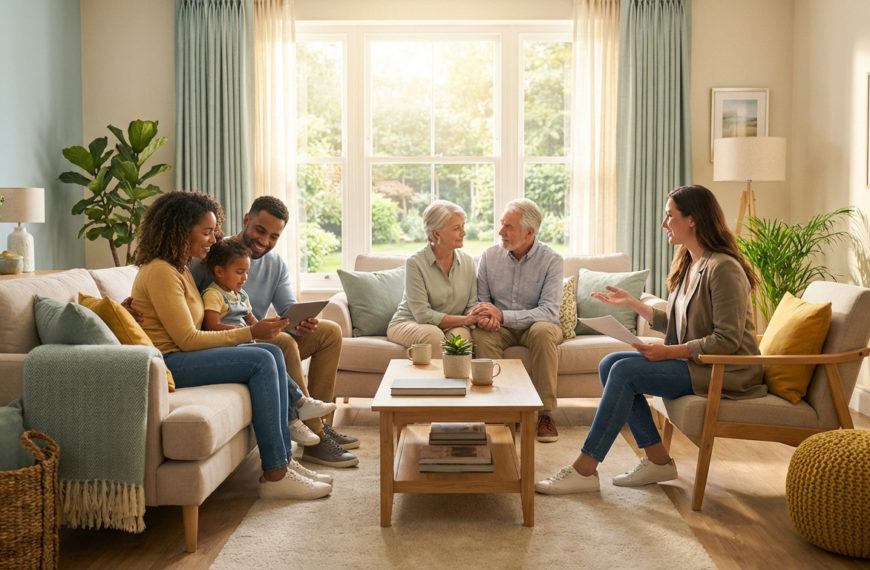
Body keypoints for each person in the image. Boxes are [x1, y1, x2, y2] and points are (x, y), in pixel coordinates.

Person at [535, 184, 766, 495]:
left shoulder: (724, 268)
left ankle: (585, 468)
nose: (663, 223)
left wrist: (668, 352)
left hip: (724, 371)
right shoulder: (691, 263)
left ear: (692, 219)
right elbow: (683, 323)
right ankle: (658, 461)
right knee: (609, 363)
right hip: (699, 364)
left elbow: (726, 340)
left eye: (670, 215)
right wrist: (634, 305)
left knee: (625, 372)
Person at [131, 190, 333, 500]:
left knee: (270, 351)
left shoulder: (179, 268)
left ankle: (284, 461)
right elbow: (187, 339)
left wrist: (256, 333)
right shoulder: (161, 271)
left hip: (181, 356)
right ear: (181, 230)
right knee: (261, 359)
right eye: (206, 232)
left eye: (214, 231)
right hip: (169, 363)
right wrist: (250, 332)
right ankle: (276, 474)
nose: (213, 239)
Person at [189, 196, 359, 468]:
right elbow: (193, 313)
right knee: (283, 342)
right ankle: (316, 436)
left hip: (258, 333)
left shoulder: (275, 264)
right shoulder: (214, 256)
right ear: (246, 219)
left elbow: (287, 310)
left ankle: (321, 424)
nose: (264, 241)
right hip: (232, 341)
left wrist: (301, 322)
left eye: (273, 236)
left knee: (329, 332)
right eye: (260, 230)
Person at [200, 236, 336, 448]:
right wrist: (245, 332)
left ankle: (302, 408)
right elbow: (211, 326)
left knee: (277, 351)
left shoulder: (240, 295)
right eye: (239, 272)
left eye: (247, 272)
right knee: (272, 354)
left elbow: (254, 322)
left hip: (246, 343)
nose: (245, 278)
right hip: (229, 346)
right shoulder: (213, 295)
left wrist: (273, 325)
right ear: (219, 271)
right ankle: (298, 415)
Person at [471, 198, 564, 442]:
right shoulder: (489, 256)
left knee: (543, 332)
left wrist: (502, 315)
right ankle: (501, 411)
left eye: (508, 226)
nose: (500, 231)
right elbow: (482, 302)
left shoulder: (552, 260)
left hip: (537, 325)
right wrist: (486, 318)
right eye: (502, 224)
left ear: (529, 232)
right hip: (499, 327)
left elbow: (549, 312)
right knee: (481, 335)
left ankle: (545, 414)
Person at [387, 200, 478, 357]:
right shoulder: (415, 263)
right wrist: (465, 320)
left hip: (452, 325)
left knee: (461, 338)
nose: (463, 233)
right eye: (457, 228)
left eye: (463, 226)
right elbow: (422, 314)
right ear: (436, 234)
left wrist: (474, 317)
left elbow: (471, 305)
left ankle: (459, 375)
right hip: (410, 322)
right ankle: (435, 375)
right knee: (433, 336)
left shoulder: (468, 262)